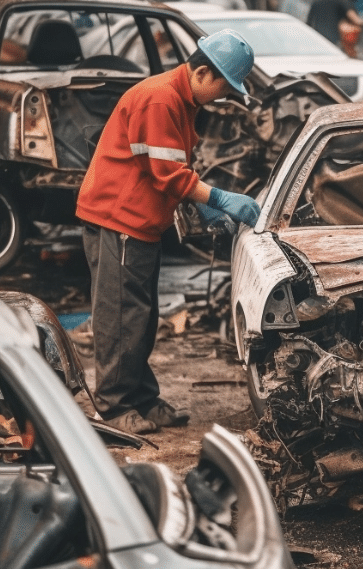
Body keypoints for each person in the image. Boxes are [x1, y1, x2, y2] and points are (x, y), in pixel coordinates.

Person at [76, 30, 260, 435]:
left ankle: (142, 399)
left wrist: (202, 205)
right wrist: (217, 198)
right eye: (225, 87)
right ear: (202, 73)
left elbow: (173, 168)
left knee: (141, 317)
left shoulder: (180, 99)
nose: (224, 97)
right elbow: (168, 174)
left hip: (139, 222)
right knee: (121, 317)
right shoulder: (160, 99)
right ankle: (113, 408)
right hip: (119, 219)